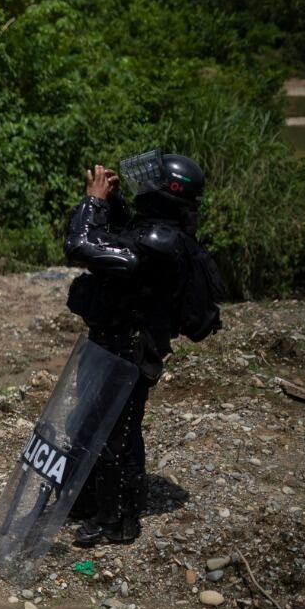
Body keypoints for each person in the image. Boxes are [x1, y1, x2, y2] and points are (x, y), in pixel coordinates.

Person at [63, 151, 218, 546]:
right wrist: (112, 202)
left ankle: (116, 520)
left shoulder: (159, 242)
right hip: (113, 345)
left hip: (127, 351)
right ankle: (92, 502)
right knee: (95, 426)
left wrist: (94, 201)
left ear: (166, 194)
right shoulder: (154, 233)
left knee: (116, 433)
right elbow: (116, 238)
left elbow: (81, 244)